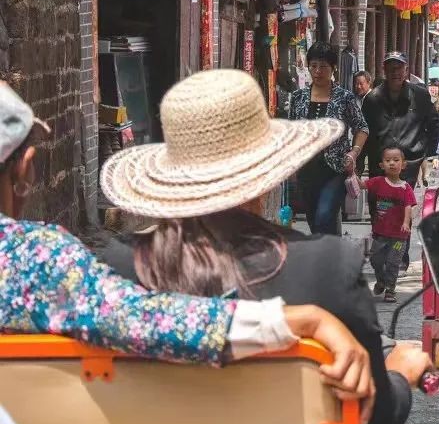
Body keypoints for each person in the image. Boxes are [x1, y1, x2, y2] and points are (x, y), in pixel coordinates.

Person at [101, 69, 432, 424]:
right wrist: (400, 374)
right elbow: (375, 420)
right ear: (268, 172)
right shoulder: (325, 265)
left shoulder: (122, 265)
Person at [0, 80, 370, 396]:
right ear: (25, 168)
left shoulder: (116, 259)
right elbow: (146, 320)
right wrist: (300, 321)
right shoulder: (29, 259)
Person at [288, 42, 369, 235]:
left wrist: (354, 152)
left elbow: (362, 127)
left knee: (324, 215)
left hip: (335, 169)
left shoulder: (345, 98)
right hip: (306, 169)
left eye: (323, 66)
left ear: (333, 68)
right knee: (314, 220)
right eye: (313, 65)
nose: (317, 71)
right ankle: (330, 257)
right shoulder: (298, 97)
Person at [361, 52, 439, 185]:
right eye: (391, 68)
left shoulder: (420, 95)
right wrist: (359, 163)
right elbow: (363, 129)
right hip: (380, 164)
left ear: (406, 71)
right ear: (384, 70)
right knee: (380, 203)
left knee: (403, 203)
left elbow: (434, 123)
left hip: (409, 163)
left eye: (399, 68)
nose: (395, 72)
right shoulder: (372, 98)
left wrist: (428, 152)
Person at [363, 146, 417, 302]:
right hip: (380, 234)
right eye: (387, 161)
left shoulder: (405, 187)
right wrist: (351, 173)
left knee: (393, 262)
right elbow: (361, 185)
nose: (392, 163)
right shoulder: (377, 182)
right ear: (381, 165)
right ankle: (381, 281)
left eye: (396, 160)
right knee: (375, 259)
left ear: (403, 164)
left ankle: (390, 290)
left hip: (400, 236)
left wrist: (406, 223)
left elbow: (408, 206)